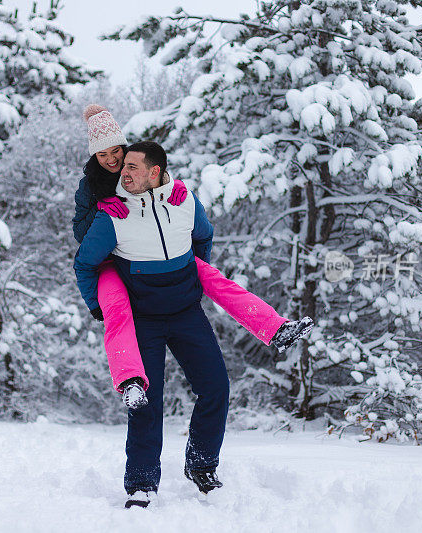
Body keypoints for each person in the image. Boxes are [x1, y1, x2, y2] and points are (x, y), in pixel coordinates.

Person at [74, 140, 312, 508]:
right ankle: (141, 482)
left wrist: (191, 274)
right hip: (143, 319)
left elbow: (203, 236)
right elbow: (85, 263)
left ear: (155, 172)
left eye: (133, 167)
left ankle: (202, 466)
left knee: (216, 387)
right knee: (146, 403)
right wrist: (98, 306)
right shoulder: (112, 216)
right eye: (125, 167)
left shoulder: (184, 201)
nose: (124, 172)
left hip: (186, 312)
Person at [73, 105, 313, 413]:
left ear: (123, 146)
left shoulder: (134, 164)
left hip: (161, 254)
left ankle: (276, 328)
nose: (111, 159)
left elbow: (159, 181)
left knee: (218, 281)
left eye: (115, 150)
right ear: (94, 156)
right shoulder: (89, 185)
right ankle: (130, 380)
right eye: (102, 154)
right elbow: (81, 233)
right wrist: (101, 210)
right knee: (117, 311)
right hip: (111, 261)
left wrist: (172, 190)